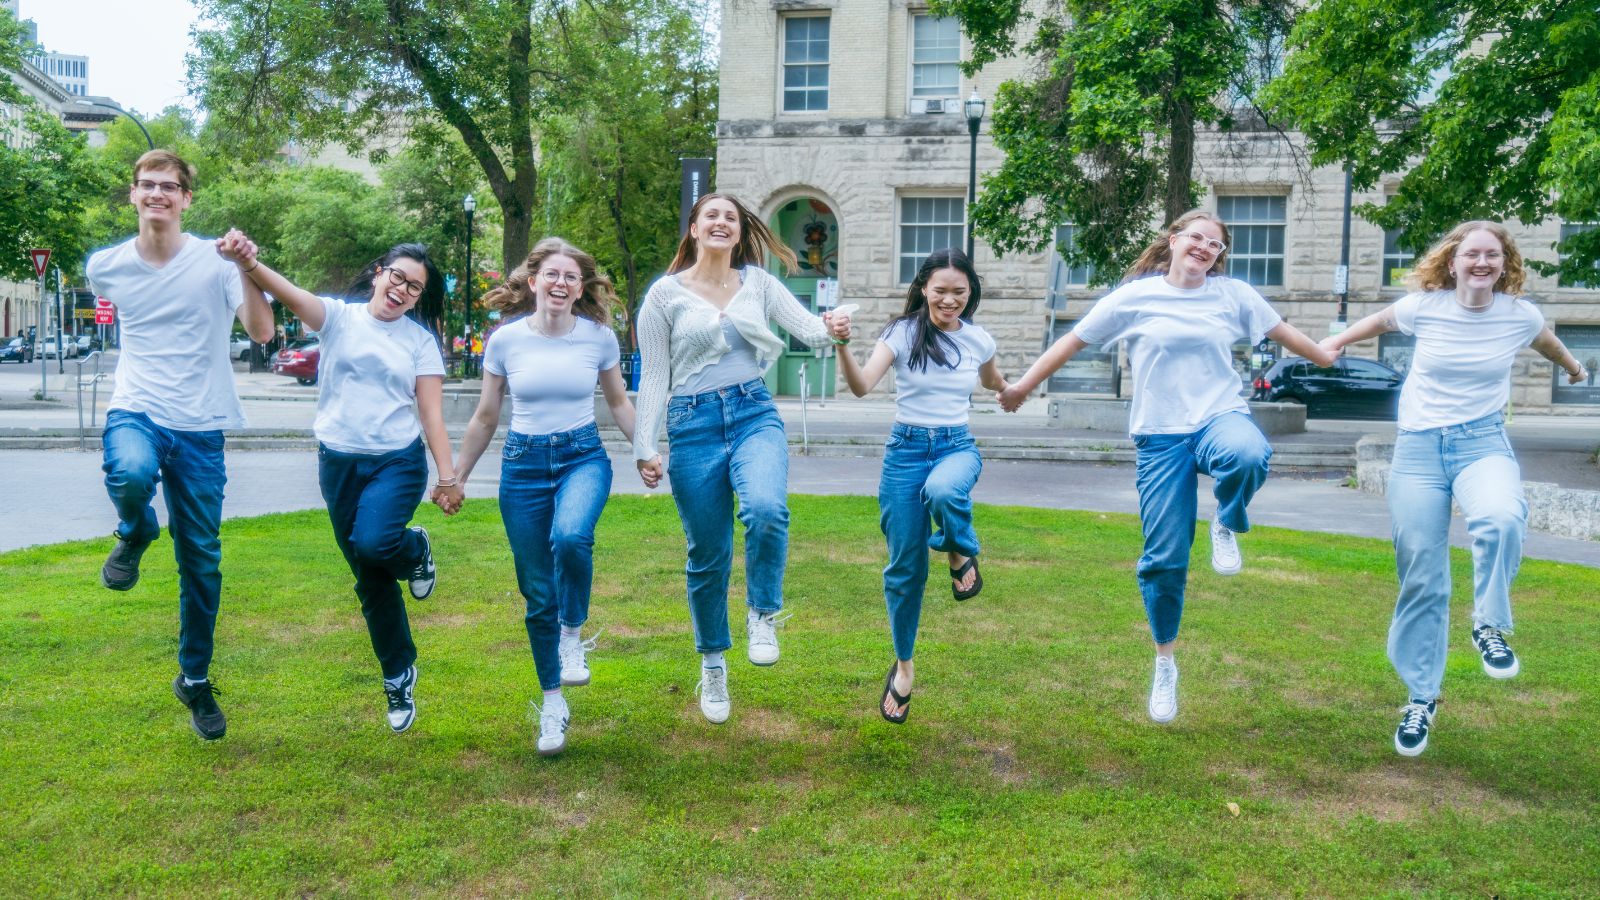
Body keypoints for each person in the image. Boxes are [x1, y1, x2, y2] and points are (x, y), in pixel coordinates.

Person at [998, 209, 1334, 725]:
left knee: (1247, 454)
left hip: (1219, 416)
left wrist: (1329, 353)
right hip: (1160, 436)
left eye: (1214, 245)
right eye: (1195, 238)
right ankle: (1165, 662)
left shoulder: (1233, 295)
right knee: (1164, 560)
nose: (1203, 248)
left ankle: (1227, 519)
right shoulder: (1135, 296)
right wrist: (1023, 385)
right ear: (1174, 241)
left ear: (1220, 256)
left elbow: (1291, 336)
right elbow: (1072, 340)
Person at [1318, 220, 1589, 757]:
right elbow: (1379, 320)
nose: (1482, 263)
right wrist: (1335, 341)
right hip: (1418, 450)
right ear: (1452, 261)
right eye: (1473, 255)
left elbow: (1548, 343)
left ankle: (1489, 626)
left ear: (1505, 263)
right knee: (1422, 573)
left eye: (1493, 255)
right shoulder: (1425, 306)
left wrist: (1576, 368)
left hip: (1481, 443)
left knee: (1503, 515)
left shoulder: (1519, 314)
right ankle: (1421, 697)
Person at [219, 234, 454, 735]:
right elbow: (287, 292)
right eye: (398, 277)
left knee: (374, 544)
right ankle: (398, 673)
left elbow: (431, 415)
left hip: (396, 461)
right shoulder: (338, 318)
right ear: (379, 272)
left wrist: (447, 476)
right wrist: (249, 262)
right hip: (339, 464)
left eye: (414, 288)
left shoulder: (420, 342)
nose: (403, 290)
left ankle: (413, 549)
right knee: (369, 576)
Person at [87, 149, 276, 741]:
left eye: (170, 187)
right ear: (134, 195)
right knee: (132, 473)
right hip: (138, 406)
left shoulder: (216, 262)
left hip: (201, 425)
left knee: (202, 559)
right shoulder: (106, 266)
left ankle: (194, 678)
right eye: (148, 186)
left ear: (187, 199)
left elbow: (263, 332)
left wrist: (245, 265)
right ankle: (136, 530)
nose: (158, 195)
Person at [633, 192, 838, 724]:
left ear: (739, 231)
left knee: (767, 509)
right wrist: (645, 445)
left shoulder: (760, 284)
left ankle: (762, 613)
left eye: (731, 216)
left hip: (752, 413)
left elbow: (810, 330)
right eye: (712, 216)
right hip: (692, 425)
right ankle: (713, 662)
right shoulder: (664, 295)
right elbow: (654, 375)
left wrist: (832, 327)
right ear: (695, 229)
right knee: (709, 554)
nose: (721, 222)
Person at [438, 238, 638, 757]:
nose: (560, 283)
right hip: (522, 466)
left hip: (582, 457)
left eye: (571, 277)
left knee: (571, 536)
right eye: (552, 274)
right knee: (536, 592)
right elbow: (485, 416)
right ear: (533, 282)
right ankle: (553, 703)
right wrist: (455, 476)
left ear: (580, 288)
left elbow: (618, 400)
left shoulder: (598, 337)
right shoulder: (506, 341)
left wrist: (645, 450)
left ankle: (572, 634)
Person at [831, 249, 1006, 723]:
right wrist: (842, 344)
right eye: (941, 290)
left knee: (945, 491)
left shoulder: (978, 339)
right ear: (925, 287)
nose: (949, 300)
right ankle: (904, 667)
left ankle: (957, 549)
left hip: (955, 447)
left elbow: (994, 381)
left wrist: (1013, 391)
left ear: (970, 294)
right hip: (905, 452)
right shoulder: (902, 332)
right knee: (904, 570)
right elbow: (863, 386)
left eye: (959, 292)